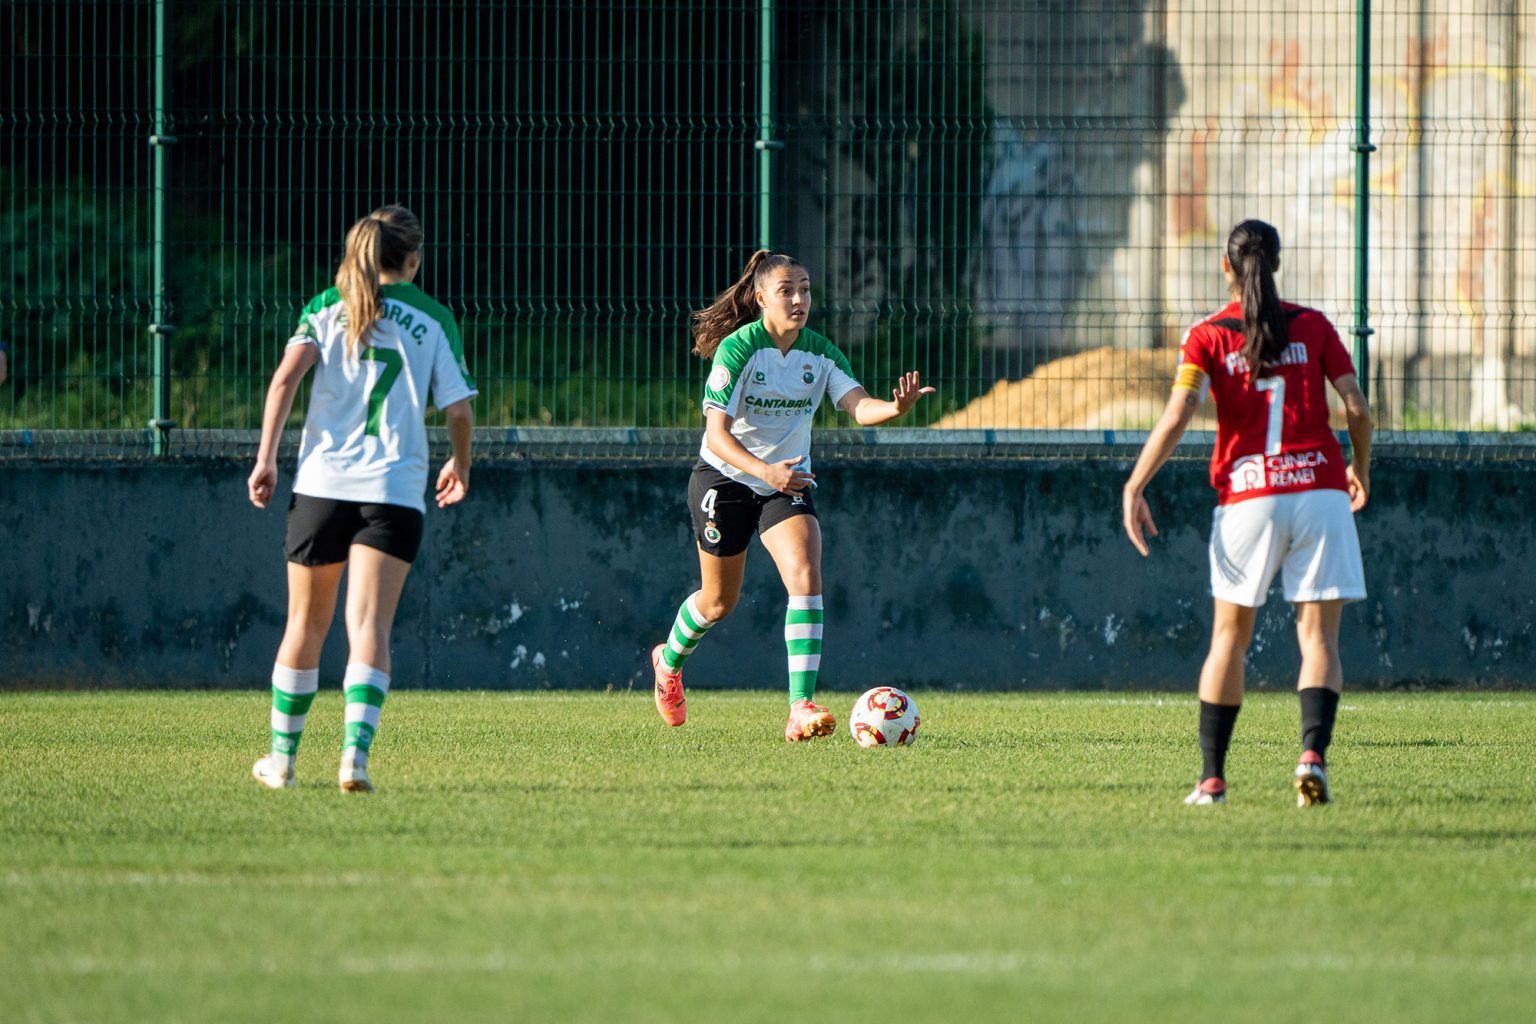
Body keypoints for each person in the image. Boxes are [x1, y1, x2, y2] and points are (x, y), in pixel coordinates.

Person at [1121, 219, 1371, 807]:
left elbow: (1180, 412)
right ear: (1276, 265)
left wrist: (1135, 484)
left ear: (1225, 267)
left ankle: (1211, 781)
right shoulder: (1314, 327)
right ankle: (1312, 755)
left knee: (1228, 642)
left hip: (1249, 497)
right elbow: (1356, 407)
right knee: (1319, 640)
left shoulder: (1206, 336)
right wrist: (1360, 467)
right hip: (1320, 492)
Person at [650, 250, 934, 741]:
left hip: (787, 485)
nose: (800, 299)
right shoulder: (739, 349)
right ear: (761, 298)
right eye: (787, 290)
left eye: (805, 289)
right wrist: (765, 471)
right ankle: (668, 662)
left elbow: (858, 405)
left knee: (806, 574)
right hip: (725, 479)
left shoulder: (820, 353)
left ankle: (799, 706)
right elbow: (716, 435)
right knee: (719, 601)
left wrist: (893, 407)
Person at [247, 205, 476, 793]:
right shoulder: (433, 316)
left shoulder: (328, 306)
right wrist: (460, 462)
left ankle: (282, 761)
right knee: (369, 626)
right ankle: (354, 757)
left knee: (305, 623)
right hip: (393, 492)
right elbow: (458, 408)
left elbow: (283, 380)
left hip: (321, 487)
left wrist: (267, 457)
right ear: (414, 259)